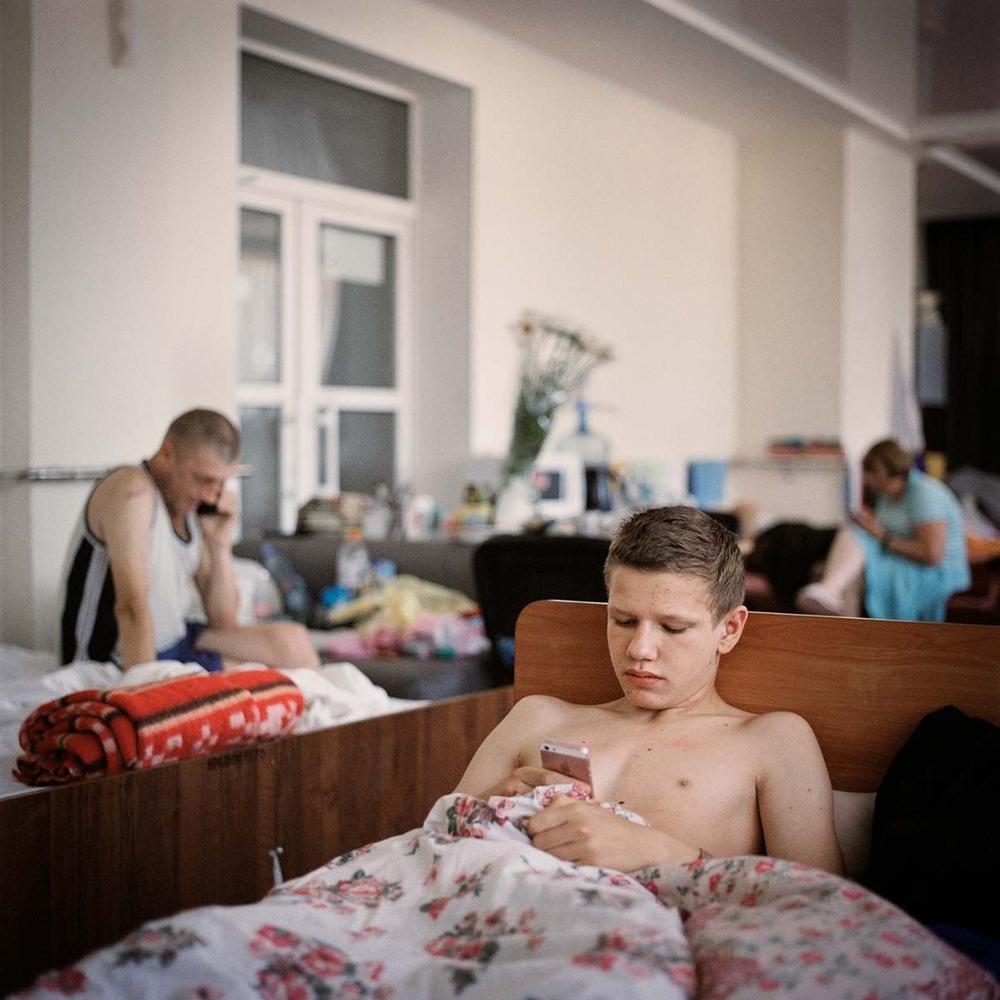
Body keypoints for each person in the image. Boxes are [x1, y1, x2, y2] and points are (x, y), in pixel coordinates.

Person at [455, 505, 844, 876]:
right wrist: (486, 810)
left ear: (729, 630)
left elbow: (822, 907)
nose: (639, 650)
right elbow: (430, 850)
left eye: (673, 628)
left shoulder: (772, 740)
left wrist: (662, 853)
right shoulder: (535, 717)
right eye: (623, 621)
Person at [60, 408, 319, 672]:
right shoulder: (133, 490)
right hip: (119, 656)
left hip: (176, 642)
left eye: (219, 484)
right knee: (260, 678)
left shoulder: (189, 508)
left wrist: (219, 544)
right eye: (202, 479)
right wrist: (148, 689)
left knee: (294, 641)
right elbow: (131, 607)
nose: (210, 496)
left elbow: (223, 621)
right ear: (167, 453)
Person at [795, 438, 970, 621]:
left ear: (892, 471)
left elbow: (931, 556)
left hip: (932, 571)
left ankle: (836, 609)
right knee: (829, 563)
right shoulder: (887, 496)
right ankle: (832, 603)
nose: (869, 480)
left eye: (873, 474)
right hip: (898, 559)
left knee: (852, 573)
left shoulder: (925, 495)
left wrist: (880, 535)